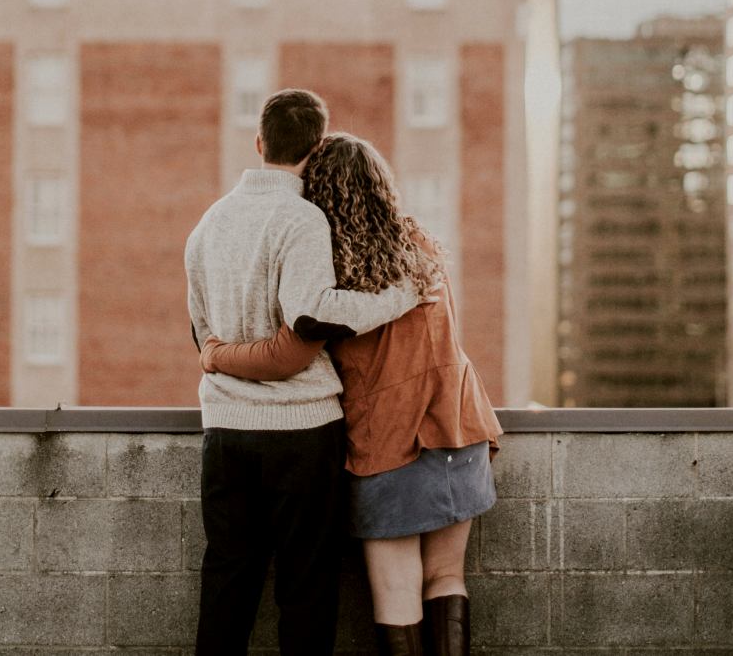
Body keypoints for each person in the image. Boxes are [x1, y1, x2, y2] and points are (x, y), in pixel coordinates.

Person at [200, 132, 504, 656]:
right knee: (447, 578)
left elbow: (295, 344)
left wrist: (215, 353)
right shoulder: (422, 248)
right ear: (381, 185)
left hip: (387, 441)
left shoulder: (332, 269)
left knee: (397, 590)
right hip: (458, 425)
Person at [184, 90, 424, 656]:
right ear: (317, 149)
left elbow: (201, 333)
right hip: (302, 432)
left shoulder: (210, 221)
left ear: (259, 142)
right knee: (306, 585)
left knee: (227, 577)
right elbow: (313, 312)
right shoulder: (303, 218)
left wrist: (221, 359)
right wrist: (398, 296)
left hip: (224, 432)